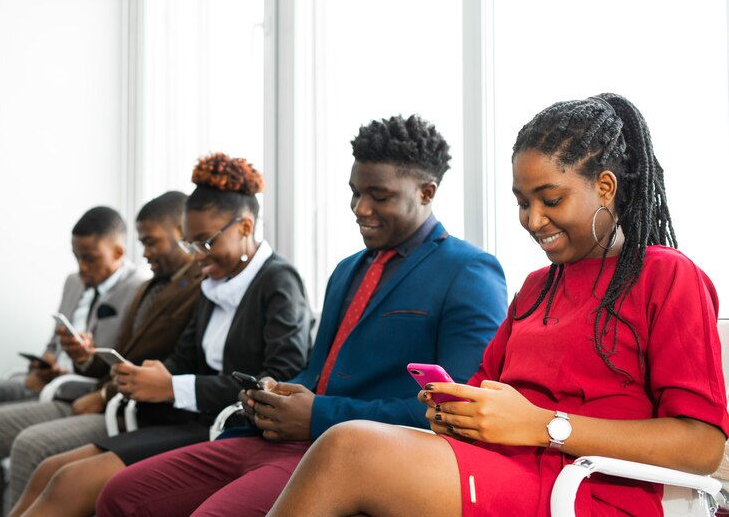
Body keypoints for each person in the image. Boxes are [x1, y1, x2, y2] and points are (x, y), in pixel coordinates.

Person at [267, 94, 729, 517]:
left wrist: (543, 426)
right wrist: (454, 412)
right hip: (499, 467)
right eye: (522, 202)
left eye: (551, 199)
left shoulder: (666, 275)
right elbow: (482, 390)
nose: (533, 220)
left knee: (347, 450)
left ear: (605, 187)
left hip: (586, 490)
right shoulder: (535, 288)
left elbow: (702, 444)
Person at [96, 114, 509, 516]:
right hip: (277, 439)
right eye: (354, 192)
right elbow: (319, 375)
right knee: (121, 494)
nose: (359, 208)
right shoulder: (348, 270)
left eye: (378, 196)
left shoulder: (469, 271)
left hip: (357, 454)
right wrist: (277, 392)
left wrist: (318, 415)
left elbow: (456, 411)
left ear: (426, 192)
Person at [8, 153, 313, 517]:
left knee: (71, 483)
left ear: (245, 228)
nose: (197, 256)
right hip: (185, 420)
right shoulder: (213, 282)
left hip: (228, 428)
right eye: (190, 244)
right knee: (51, 472)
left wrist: (172, 387)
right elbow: (181, 360)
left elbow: (280, 380)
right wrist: (144, 376)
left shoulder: (278, 280)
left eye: (205, 242)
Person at [0, 192, 203, 516]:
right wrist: (83, 356)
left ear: (184, 236)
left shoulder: (188, 289)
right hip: (97, 393)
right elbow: (123, 355)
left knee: (31, 446)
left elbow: (166, 363)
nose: (145, 254)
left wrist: (102, 393)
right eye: (143, 243)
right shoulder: (151, 288)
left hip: (131, 408)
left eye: (151, 243)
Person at [0, 206, 147, 517]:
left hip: (78, 392)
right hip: (45, 382)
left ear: (118, 251)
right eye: (76, 257)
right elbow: (52, 343)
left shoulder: (140, 288)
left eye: (89, 258)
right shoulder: (73, 282)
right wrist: (45, 363)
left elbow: (126, 360)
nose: (82, 267)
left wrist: (86, 358)